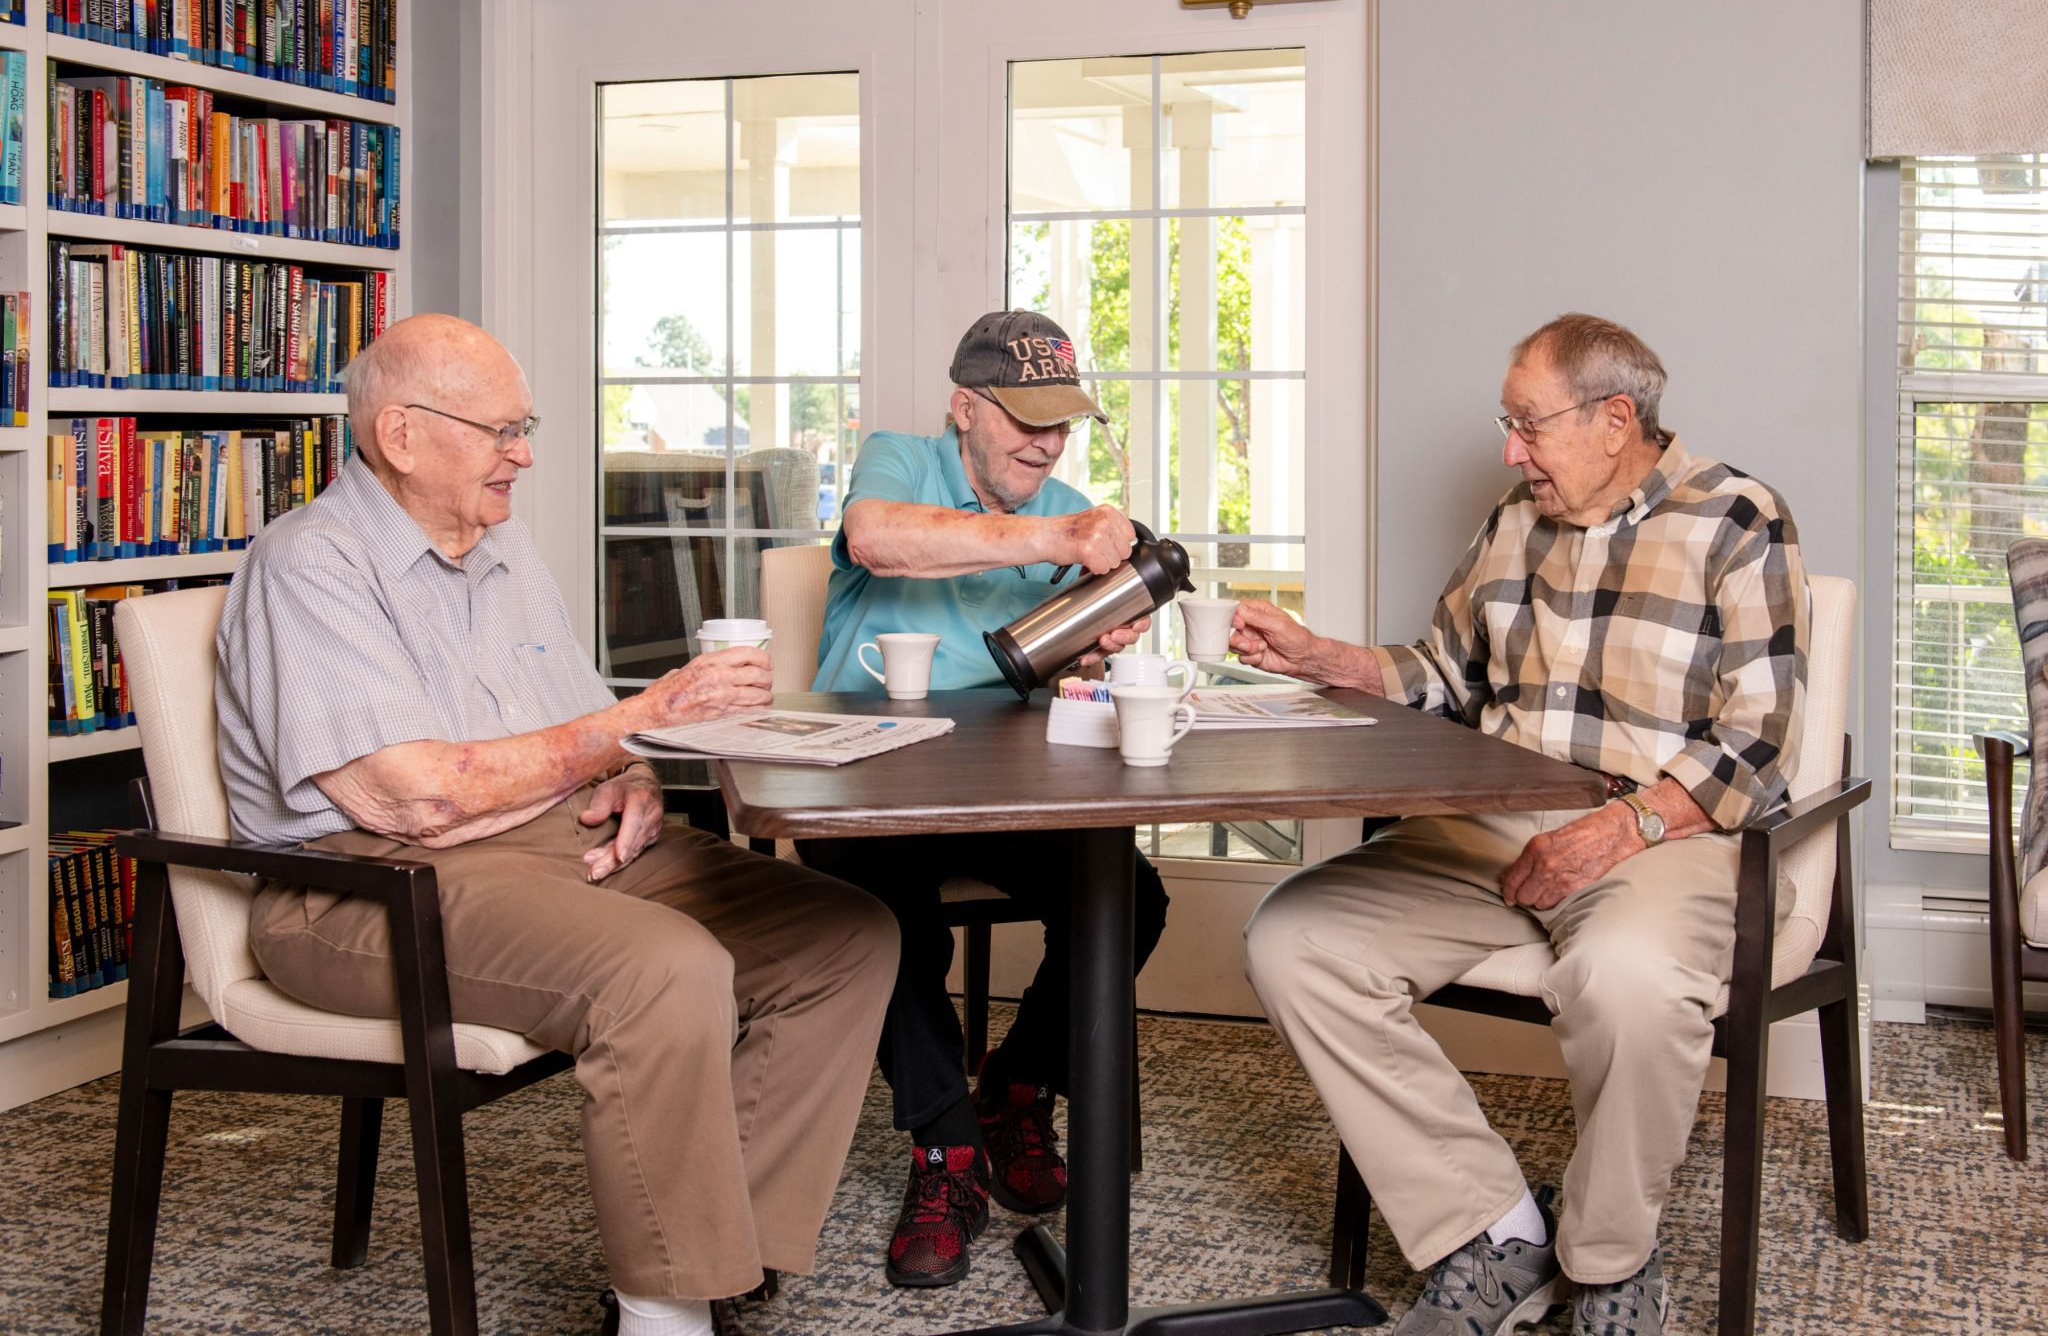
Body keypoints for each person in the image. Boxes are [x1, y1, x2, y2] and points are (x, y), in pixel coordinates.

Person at [213, 314, 899, 1336]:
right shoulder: (311, 563)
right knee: (662, 969)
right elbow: (413, 800)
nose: (524, 454)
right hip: (363, 885)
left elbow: (577, 729)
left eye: (521, 427)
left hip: (547, 842)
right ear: (401, 434)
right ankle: (664, 1312)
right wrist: (639, 720)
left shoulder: (501, 547)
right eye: (499, 431)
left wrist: (630, 771)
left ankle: (721, 1253)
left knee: (843, 938)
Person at [1238, 314, 1808, 1336]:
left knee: (1629, 983)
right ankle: (1492, 1234)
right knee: (1294, 937)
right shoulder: (1512, 520)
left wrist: (1609, 831)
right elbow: (1444, 675)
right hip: (1490, 830)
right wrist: (1322, 658)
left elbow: (1755, 745)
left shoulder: (1737, 518)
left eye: (1526, 425)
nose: (1510, 450)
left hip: (1658, 835)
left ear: (1612, 419)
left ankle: (1606, 1258)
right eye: (1507, 426)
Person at [799, 310, 1172, 1288]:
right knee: (880, 912)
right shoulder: (900, 463)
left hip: (1002, 780)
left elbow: (1056, 676)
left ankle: (1015, 1084)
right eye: (1022, 420)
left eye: (1060, 425)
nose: (1044, 445)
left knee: (1131, 897)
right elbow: (876, 540)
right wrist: (1052, 538)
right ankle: (946, 1143)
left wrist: (1091, 651)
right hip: (867, 772)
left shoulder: (1072, 509)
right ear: (963, 406)